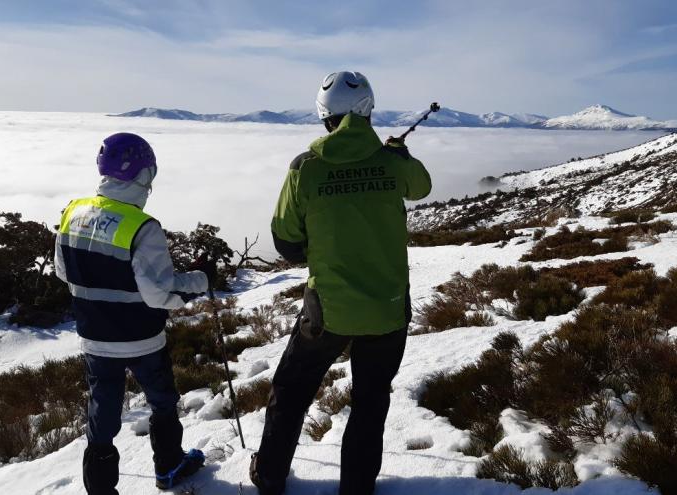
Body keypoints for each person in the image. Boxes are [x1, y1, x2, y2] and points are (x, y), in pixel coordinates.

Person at [250, 71, 432, 495]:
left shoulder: (305, 168)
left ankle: (271, 476)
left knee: (291, 391)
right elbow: (421, 188)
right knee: (370, 402)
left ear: (324, 116)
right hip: (387, 308)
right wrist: (400, 155)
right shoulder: (390, 161)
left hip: (327, 309)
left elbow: (287, 243)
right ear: (368, 110)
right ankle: (357, 487)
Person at [54, 133, 216, 493]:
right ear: (143, 174)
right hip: (142, 338)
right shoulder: (143, 227)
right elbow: (159, 294)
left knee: (103, 412)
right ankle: (169, 468)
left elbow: (63, 272)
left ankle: (99, 487)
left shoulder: (72, 213)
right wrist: (201, 280)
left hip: (94, 338)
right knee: (162, 402)